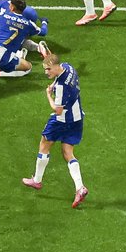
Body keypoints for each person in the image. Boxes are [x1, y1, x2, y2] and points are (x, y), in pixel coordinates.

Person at [21, 52, 88, 207]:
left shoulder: (61, 88)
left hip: (62, 120)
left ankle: (37, 180)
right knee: (67, 152)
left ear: (56, 66)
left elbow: (57, 110)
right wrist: (54, 82)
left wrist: (48, 95)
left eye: (48, 69)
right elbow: (62, 78)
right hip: (77, 117)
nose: (46, 72)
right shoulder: (68, 68)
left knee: (44, 143)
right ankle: (80, 187)